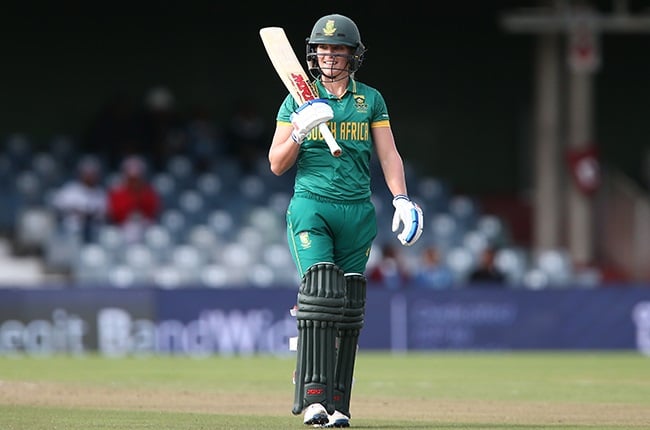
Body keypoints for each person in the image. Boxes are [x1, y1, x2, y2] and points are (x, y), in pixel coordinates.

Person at [267, 13, 424, 428]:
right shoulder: (295, 100)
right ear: (312, 53)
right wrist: (300, 130)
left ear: (353, 56)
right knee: (322, 291)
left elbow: (388, 154)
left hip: (357, 212)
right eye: (323, 48)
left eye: (338, 49)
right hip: (312, 205)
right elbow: (276, 164)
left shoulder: (369, 99)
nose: (329, 55)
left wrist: (401, 198)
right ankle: (311, 395)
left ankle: (337, 402)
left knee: (348, 306)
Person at [50, 155, 108, 243]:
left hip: (94, 235)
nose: (89, 176)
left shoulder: (101, 193)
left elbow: (103, 215)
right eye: (87, 173)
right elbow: (56, 207)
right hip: (70, 233)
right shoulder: (70, 189)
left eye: (92, 173)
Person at [107, 155, 161, 243]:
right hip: (122, 228)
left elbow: (153, 211)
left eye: (137, 178)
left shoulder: (149, 192)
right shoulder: (117, 193)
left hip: (145, 226)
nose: (134, 182)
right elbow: (115, 214)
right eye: (132, 179)